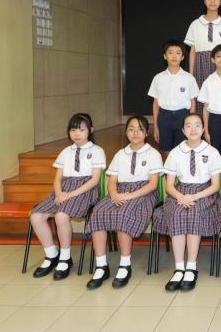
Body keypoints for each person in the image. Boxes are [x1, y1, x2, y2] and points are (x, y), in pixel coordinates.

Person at [85, 116, 161, 289]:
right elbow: (112, 181)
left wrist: (129, 196)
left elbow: (153, 184)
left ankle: (125, 265)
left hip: (144, 192)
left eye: (140, 129)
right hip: (119, 191)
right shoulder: (120, 154)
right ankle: (101, 266)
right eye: (131, 129)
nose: (135, 133)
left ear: (146, 133)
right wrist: (114, 194)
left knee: (124, 214)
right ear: (126, 132)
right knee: (99, 212)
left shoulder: (152, 153)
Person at [154, 113, 221, 292]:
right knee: (176, 214)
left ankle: (191, 267)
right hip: (180, 191)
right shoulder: (175, 152)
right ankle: (179, 268)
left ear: (203, 128)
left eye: (197, 125)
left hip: (204, 192)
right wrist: (180, 196)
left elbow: (215, 186)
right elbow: (169, 185)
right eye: (188, 126)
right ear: (183, 130)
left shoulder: (212, 152)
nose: (193, 129)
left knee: (194, 213)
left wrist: (194, 197)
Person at [30, 113, 105, 280]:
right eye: (73, 130)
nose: (77, 133)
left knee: (61, 215)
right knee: (36, 216)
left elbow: (94, 180)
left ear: (91, 130)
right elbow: (58, 178)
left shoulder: (96, 151)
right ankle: (51, 254)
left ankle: (65, 258)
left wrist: (69, 195)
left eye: (81, 130)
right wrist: (59, 194)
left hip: (85, 190)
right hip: (64, 189)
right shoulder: (65, 152)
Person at [184, 0, 221, 116]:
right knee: (200, 95)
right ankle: (200, 123)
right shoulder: (195, 24)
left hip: (220, 64)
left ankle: (218, 119)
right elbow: (193, 50)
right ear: (204, 1)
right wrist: (191, 74)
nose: (212, 1)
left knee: (219, 93)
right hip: (200, 64)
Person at [148, 40, 199, 152]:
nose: (174, 56)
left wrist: (191, 123)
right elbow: (155, 104)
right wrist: (155, 126)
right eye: (170, 52)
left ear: (183, 57)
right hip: (164, 117)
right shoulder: (158, 78)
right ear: (164, 56)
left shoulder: (189, 78)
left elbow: (193, 103)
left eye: (178, 53)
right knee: (165, 150)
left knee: (182, 150)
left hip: (183, 116)